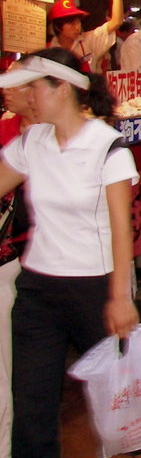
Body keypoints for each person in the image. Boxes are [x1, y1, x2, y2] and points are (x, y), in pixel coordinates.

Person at [0, 50, 141, 457]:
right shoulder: (32, 142)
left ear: (62, 88)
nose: (27, 97)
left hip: (94, 289)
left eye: (33, 88)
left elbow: (121, 230)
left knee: (120, 413)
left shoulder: (107, 147)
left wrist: (120, 298)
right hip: (38, 290)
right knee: (32, 409)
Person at [0, 64, 36, 458]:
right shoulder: (6, 131)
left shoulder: (71, 136)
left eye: (16, 85)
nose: (6, 91)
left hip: (42, 262)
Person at [45, 0, 122, 72]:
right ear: (57, 27)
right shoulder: (48, 49)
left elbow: (116, 22)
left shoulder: (89, 39)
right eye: (72, 23)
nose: (77, 27)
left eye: (78, 22)